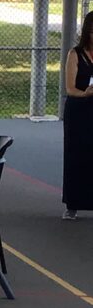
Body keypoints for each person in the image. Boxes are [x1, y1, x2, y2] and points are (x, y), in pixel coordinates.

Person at [62, 11, 93, 220]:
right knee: (77, 155)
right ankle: (72, 204)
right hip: (79, 109)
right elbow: (70, 88)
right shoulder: (75, 54)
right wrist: (86, 93)